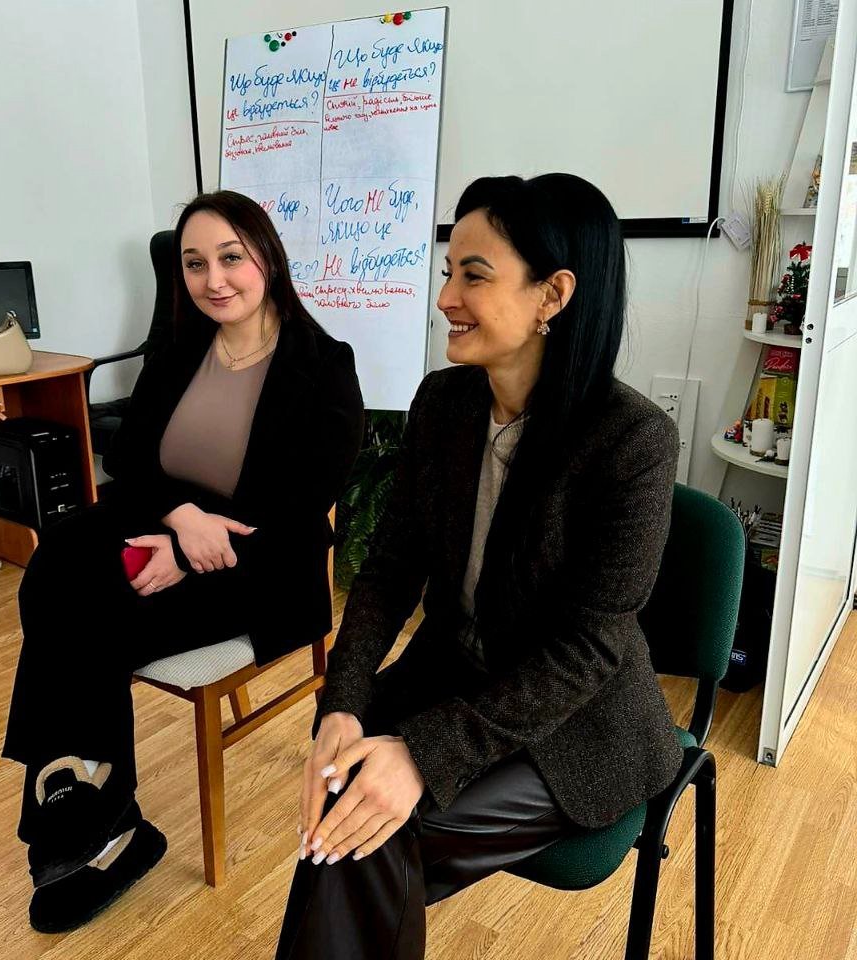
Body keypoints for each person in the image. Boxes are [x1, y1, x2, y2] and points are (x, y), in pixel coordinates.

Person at [275, 174, 683, 960]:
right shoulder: (444, 403)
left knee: (372, 826)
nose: (445, 298)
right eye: (448, 272)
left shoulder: (631, 441)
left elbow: (586, 653)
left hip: (576, 723)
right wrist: (344, 706)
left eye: (474, 275)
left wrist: (421, 756)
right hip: (457, 678)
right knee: (346, 795)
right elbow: (388, 572)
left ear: (552, 295)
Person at [1, 190, 364, 933]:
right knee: (55, 565)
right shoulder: (180, 349)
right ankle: (96, 810)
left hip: (259, 567)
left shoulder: (323, 365)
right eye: (195, 264)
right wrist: (180, 520)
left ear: (267, 258)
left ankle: (81, 814)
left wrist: (193, 554)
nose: (213, 279)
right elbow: (131, 460)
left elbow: (302, 510)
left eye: (231, 258)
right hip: (169, 527)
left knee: (89, 618)